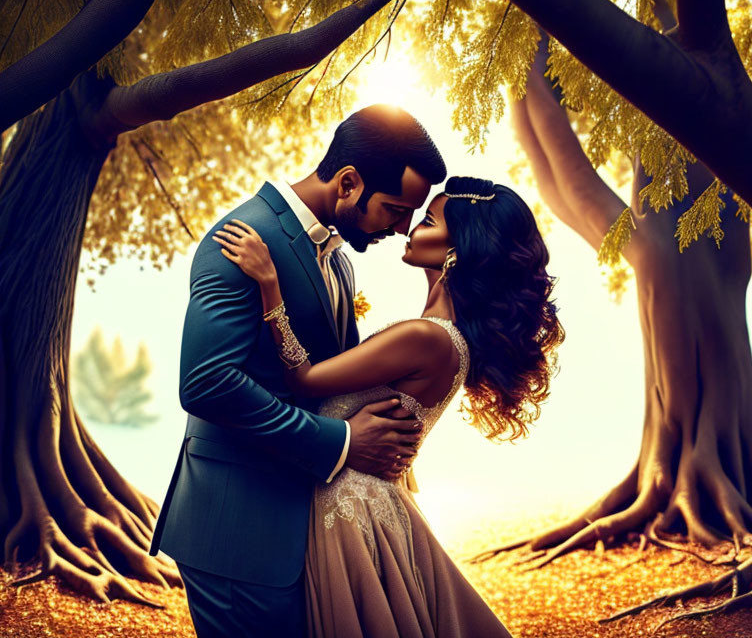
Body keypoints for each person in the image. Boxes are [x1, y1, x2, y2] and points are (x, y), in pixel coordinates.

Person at [218, 175, 565, 637]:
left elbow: (302, 379)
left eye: (428, 220)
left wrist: (269, 289)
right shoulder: (445, 337)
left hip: (349, 512)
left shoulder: (426, 337)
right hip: (368, 504)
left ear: (456, 246)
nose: (409, 229)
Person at [149, 105, 447, 637]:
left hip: (299, 525)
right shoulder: (242, 240)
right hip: (240, 531)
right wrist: (341, 442)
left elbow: (326, 372)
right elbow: (207, 383)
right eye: (396, 209)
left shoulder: (339, 257)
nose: (402, 228)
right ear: (349, 183)